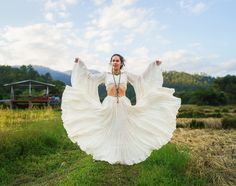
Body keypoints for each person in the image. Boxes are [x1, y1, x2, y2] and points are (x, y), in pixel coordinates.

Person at [61, 54, 181, 165]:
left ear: (121, 63)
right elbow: (89, 78)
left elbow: (142, 79)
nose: (115, 62)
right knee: (109, 127)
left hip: (124, 103)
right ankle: (108, 152)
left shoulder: (126, 75)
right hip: (109, 103)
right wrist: (80, 64)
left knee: (123, 127)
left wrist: (154, 66)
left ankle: (123, 154)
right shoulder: (105, 75)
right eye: (113, 60)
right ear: (111, 62)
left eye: (117, 60)